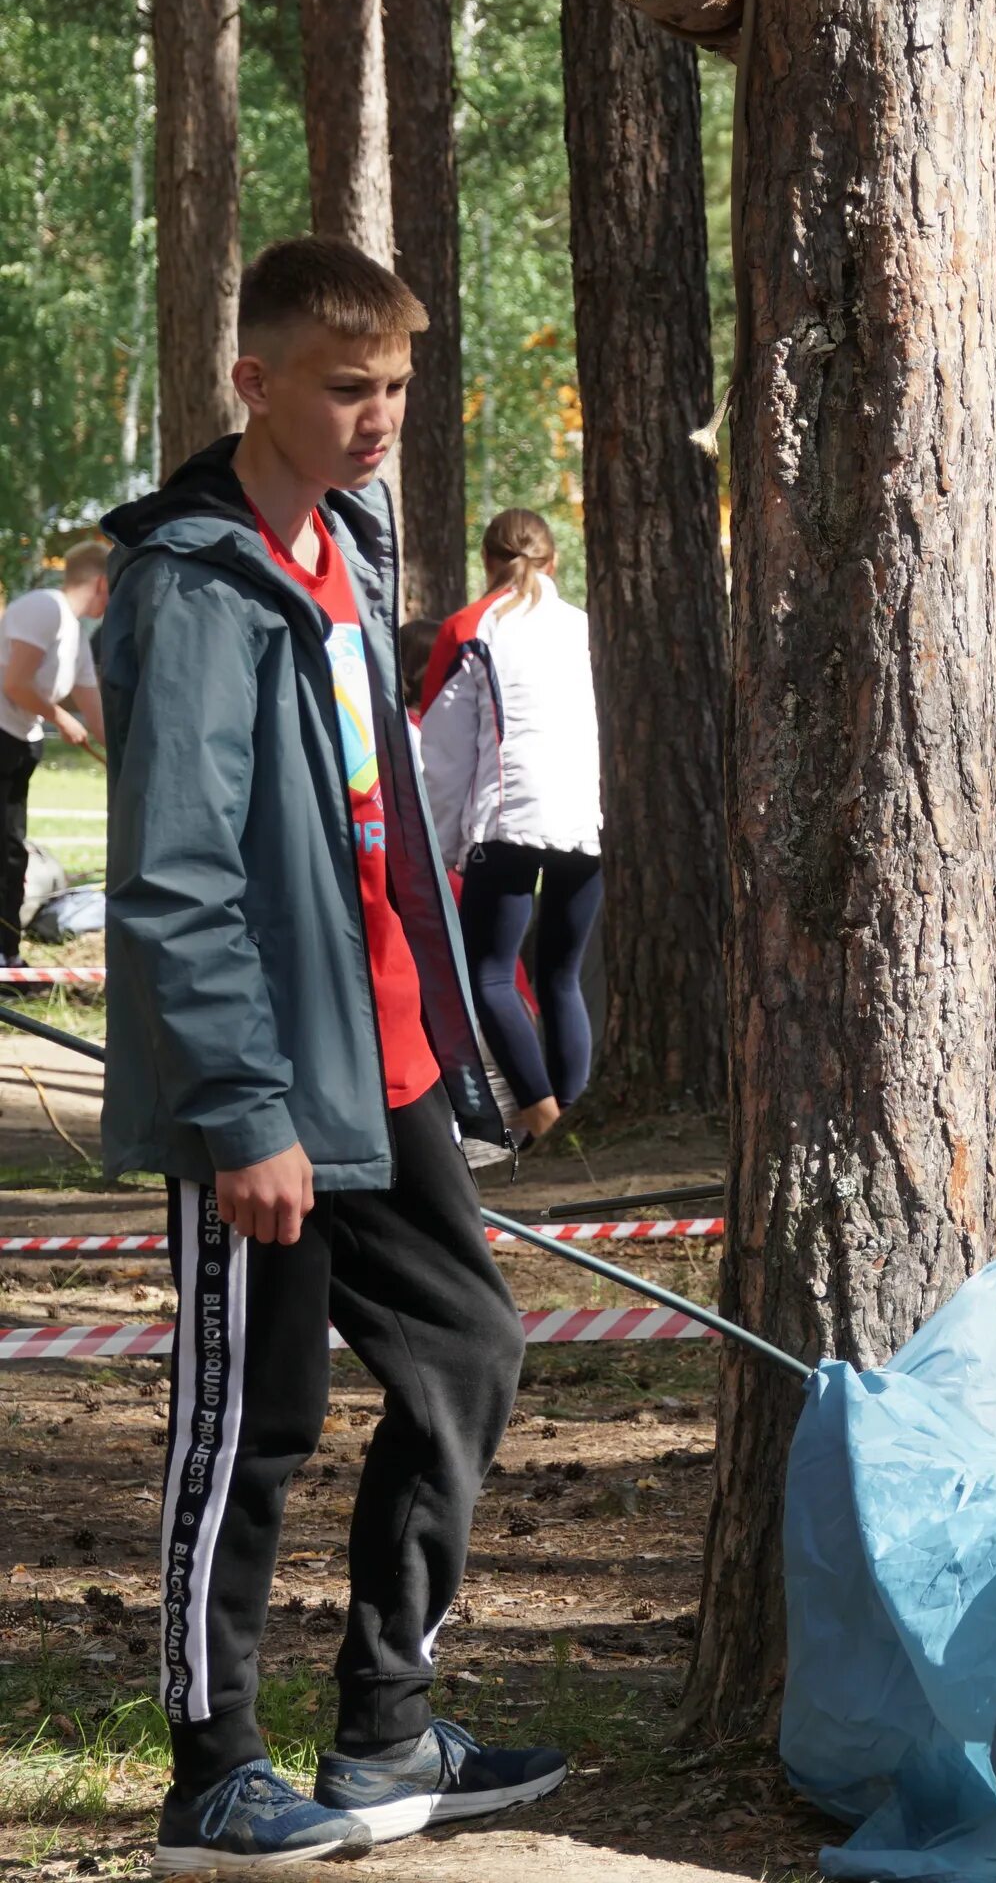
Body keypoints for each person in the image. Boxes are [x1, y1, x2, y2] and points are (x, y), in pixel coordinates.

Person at [97, 236, 563, 1872]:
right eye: (348, 387)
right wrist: (240, 1109)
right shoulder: (193, 582)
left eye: (399, 389)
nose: (381, 418)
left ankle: (382, 1732)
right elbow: (174, 877)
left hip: (391, 1060)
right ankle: (213, 1774)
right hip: (270, 1080)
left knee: (466, 1352)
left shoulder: (349, 547)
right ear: (255, 381)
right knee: (255, 1416)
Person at [422, 509, 604, 1147]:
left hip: (508, 823)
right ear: (553, 562)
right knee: (561, 975)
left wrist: (445, 848)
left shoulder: (469, 628)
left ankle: (542, 1117)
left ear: (486, 561)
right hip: (582, 823)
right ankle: (572, 1117)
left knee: (490, 976)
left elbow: (443, 758)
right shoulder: (583, 626)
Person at [0, 542, 109, 966]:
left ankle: (7, 955)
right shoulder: (44, 608)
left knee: (12, 853)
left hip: (21, 745)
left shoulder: (75, 636)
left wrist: (125, 759)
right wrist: (60, 717)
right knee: (5, 851)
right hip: (3, 737)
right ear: (102, 583)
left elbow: (95, 713)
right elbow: (15, 682)